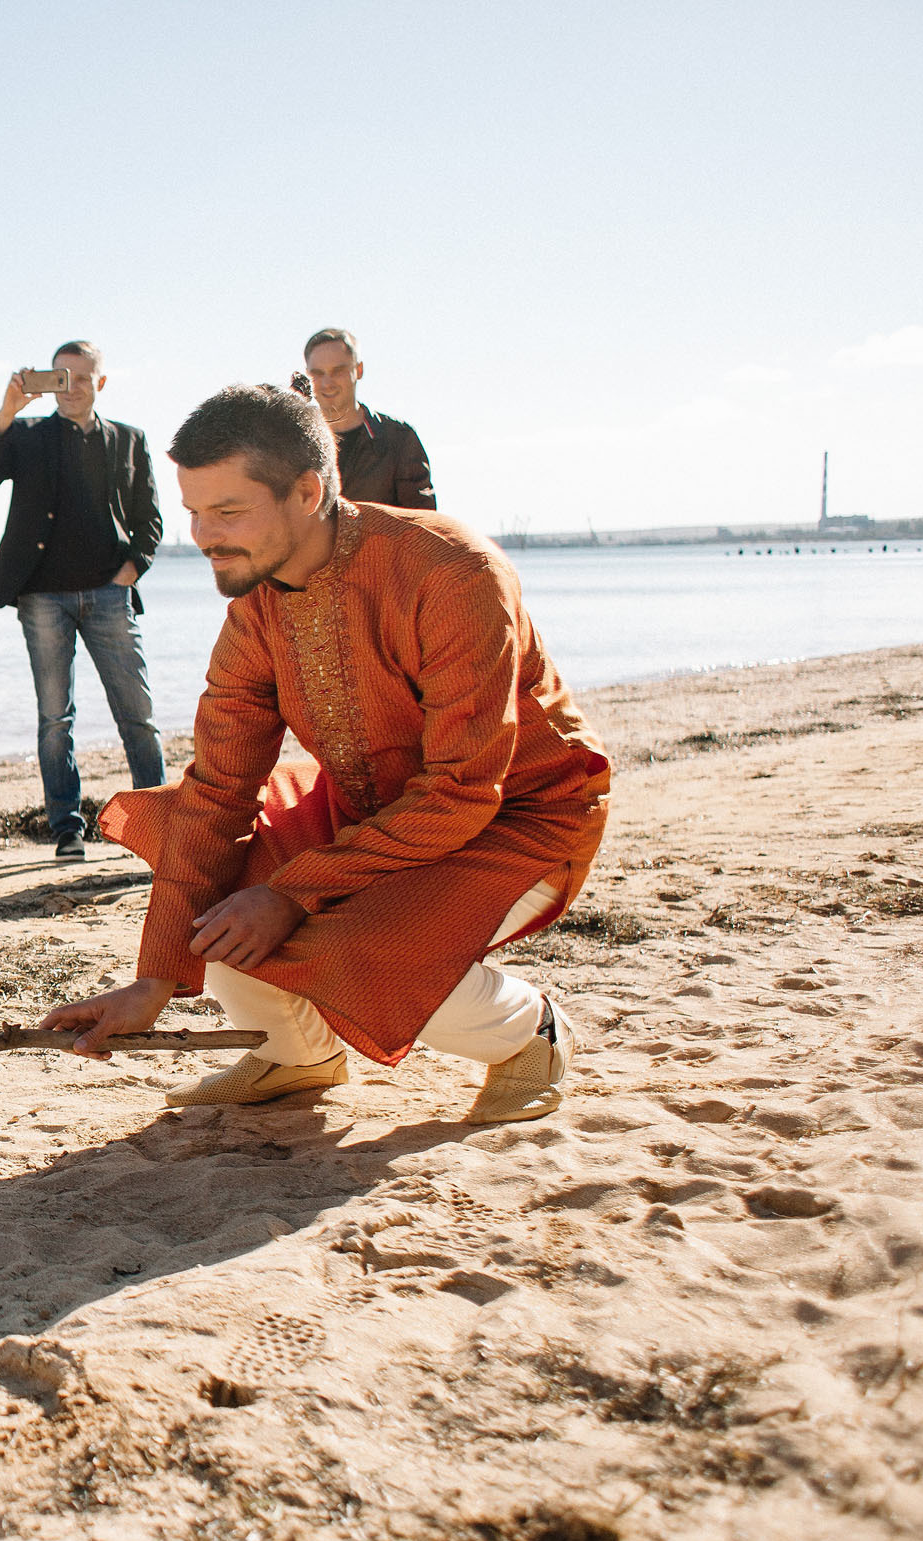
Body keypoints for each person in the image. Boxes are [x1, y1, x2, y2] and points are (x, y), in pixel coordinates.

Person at [42, 384, 609, 1125]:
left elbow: (467, 790)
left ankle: (531, 1031)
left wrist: (291, 892)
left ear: (307, 491)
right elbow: (218, 791)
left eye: (228, 512)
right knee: (209, 889)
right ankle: (299, 1054)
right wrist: (155, 980)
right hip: (365, 808)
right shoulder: (255, 605)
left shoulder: (453, 572)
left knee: (358, 954)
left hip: (520, 815)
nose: (202, 535)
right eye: (193, 513)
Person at [0, 340, 166, 859]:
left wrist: (132, 568)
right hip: (42, 598)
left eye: (80, 376)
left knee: (137, 713)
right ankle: (66, 828)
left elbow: (151, 519)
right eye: (59, 376)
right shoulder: (27, 435)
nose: (70, 386)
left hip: (109, 593)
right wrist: (7, 413)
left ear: (101, 381)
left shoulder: (128, 439)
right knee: (56, 717)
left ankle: (160, 824)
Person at [300, 327, 434, 509]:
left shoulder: (399, 440)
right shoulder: (294, 444)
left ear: (359, 370)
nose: (327, 383)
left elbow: (423, 522)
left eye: (338, 371)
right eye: (317, 373)